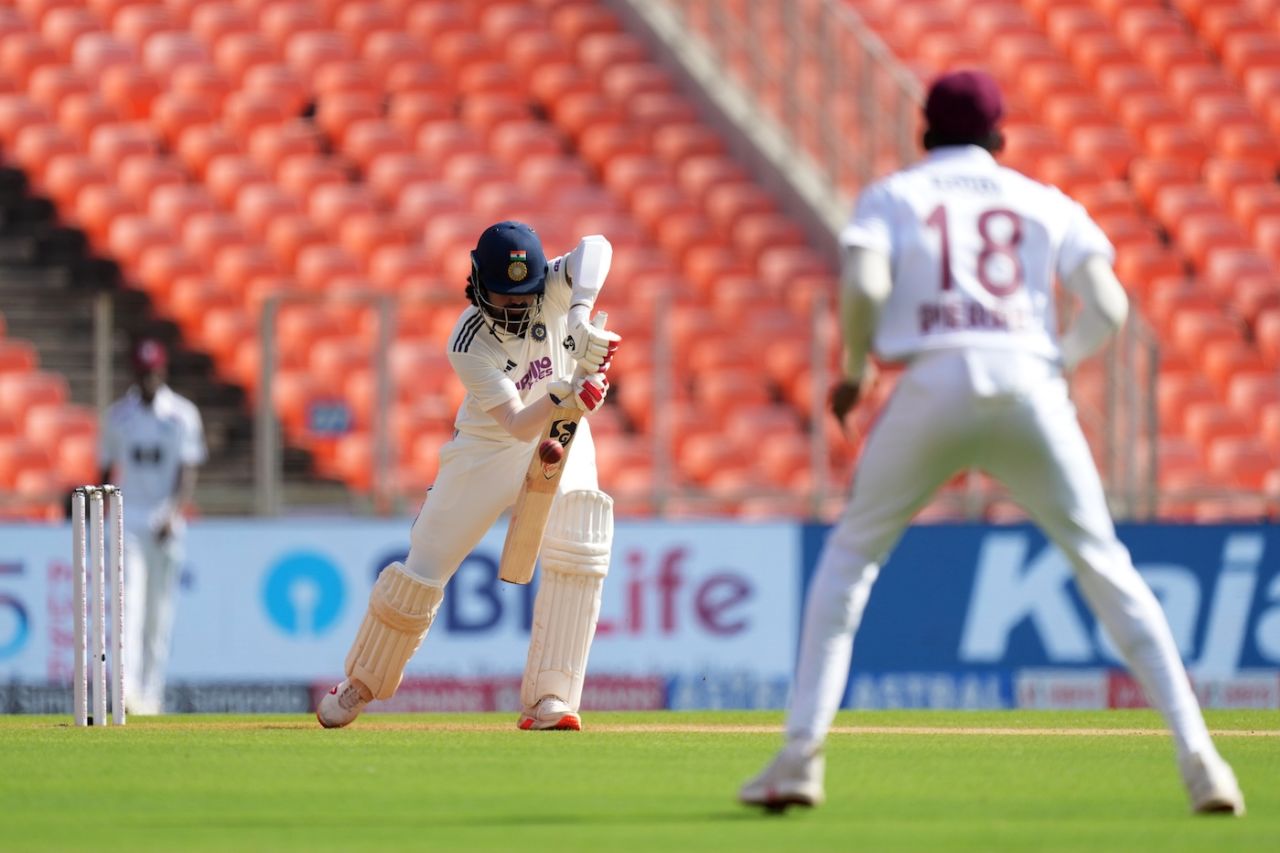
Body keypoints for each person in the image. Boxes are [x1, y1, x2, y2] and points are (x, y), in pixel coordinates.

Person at [739, 70, 1245, 816]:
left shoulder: (894, 195)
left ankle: (799, 758)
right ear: (1000, 136)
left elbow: (865, 286)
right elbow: (1108, 304)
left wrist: (854, 368)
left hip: (932, 381)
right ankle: (1203, 761)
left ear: (923, 133)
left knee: (850, 559)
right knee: (1106, 566)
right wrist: (1052, 364)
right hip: (1028, 386)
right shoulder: (1043, 200)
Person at [318, 221, 621, 731]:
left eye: (524, 297)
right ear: (478, 286)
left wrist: (580, 317)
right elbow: (517, 425)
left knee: (581, 540)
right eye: (504, 296)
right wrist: (566, 386)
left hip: (564, 430)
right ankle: (362, 681)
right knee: (425, 565)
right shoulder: (469, 340)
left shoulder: (552, 287)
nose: (517, 308)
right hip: (489, 447)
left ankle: (552, 698)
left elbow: (597, 246)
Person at [99, 337, 207, 715]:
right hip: (128, 521)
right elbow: (105, 470)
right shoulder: (118, 417)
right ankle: (125, 690)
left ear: (163, 371)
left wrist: (174, 513)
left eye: (153, 372)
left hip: (165, 524)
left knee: (159, 614)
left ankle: (152, 694)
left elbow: (188, 469)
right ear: (134, 372)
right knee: (128, 604)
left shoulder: (181, 415)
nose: (148, 380)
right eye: (142, 373)